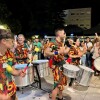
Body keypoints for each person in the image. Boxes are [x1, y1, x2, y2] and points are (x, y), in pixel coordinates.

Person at [44, 27, 69, 100]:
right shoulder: (53, 43)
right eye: (64, 33)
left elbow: (63, 53)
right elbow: (46, 53)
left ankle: (60, 97)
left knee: (61, 84)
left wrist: (69, 46)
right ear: (59, 34)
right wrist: (57, 52)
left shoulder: (61, 43)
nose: (65, 34)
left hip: (61, 65)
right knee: (57, 85)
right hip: (56, 67)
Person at [0, 29, 26, 100]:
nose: (14, 43)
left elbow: (11, 70)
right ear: (3, 41)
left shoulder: (10, 54)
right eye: (12, 41)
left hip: (11, 90)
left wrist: (19, 73)